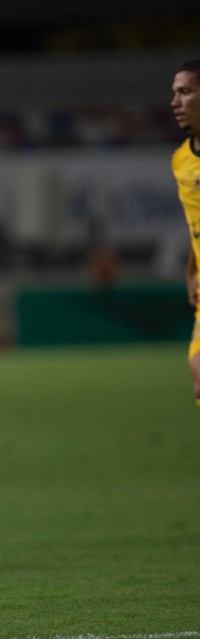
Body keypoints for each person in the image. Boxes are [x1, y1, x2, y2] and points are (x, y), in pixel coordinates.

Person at [170, 59, 200, 406]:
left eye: (185, 92)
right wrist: (191, 270)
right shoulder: (181, 161)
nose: (174, 102)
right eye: (174, 93)